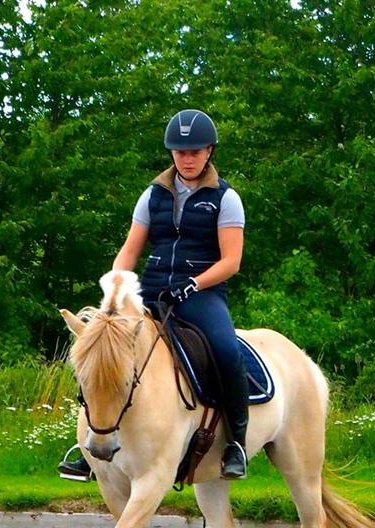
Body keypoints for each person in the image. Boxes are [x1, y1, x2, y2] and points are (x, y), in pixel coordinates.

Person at [59, 108, 249, 481]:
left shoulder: (226, 198)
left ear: (209, 151)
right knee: (99, 350)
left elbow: (231, 261)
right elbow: (131, 249)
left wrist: (193, 284)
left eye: (195, 151)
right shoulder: (153, 195)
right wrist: (116, 283)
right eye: (180, 152)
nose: (187, 158)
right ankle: (90, 447)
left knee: (227, 350)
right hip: (151, 291)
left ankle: (235, 444)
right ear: (171, 154)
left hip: (202, 294)